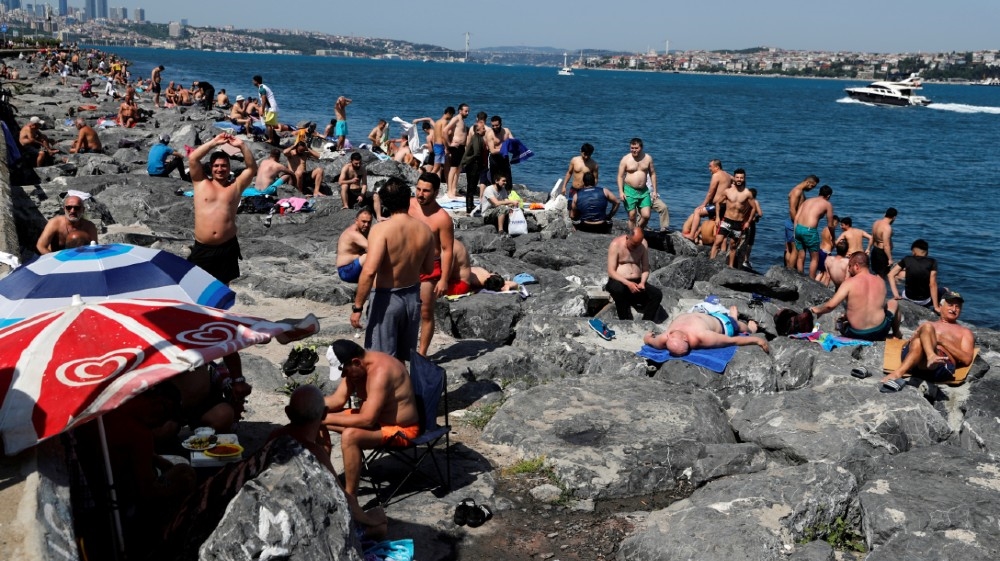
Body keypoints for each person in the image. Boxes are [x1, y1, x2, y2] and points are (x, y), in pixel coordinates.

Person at [269, 384, 388, 540]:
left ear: (288, 413)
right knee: (380, 522)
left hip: (271, 513)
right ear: (325, 414)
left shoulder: (274, 436)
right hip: (299, 524)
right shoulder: (313, 451)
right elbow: (342, 497)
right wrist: (370, 520)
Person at [322, 340, 420, 511]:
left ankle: (351, 498)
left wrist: (323, 419)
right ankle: (326, 478)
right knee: (315, 418)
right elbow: (338, 400)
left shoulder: (381, 371)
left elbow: (367, 420)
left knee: (350, 436)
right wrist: (309, 406)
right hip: (375, 423)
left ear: (356, 362)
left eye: (344, 372)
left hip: (401, 430)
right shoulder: (356, 370)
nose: (344, 377)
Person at [350, 178, 434, 360]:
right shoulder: (425, 230)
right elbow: (428, 268)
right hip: (412, 298)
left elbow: (370, 271)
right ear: (407, 199)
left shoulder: (381, 230)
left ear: (385, 203)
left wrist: (357, 307)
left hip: (386, 298)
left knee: (380, 360)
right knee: (403, 358)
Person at [881, 291, 974, 384]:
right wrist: (920, 336)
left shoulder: (965, 332)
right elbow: (908, 343)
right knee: (924, 331)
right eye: (950, 305)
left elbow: (967, 359)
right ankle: (930, 356)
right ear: (940, 306)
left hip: (940, 365)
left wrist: (941, 341)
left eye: (957, 306)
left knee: (926, 329)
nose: (954, 309)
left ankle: (900, 371)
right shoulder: (928, 325)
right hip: (914, 362)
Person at [409, 172, 455, 357]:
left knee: (426, 311)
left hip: (429, 268)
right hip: (406, 264)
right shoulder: (409, 205)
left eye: (426, 191)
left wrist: (444, 279)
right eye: (418, 189)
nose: (420, 194)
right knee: (403, 308)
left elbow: (447, 250)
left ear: (436, 192)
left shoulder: (442, 218)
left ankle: (422, 354)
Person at [809, 252, 901, 342]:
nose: (848, 270)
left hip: (856, 333)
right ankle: (896, 334)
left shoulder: (849, 283)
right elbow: (879, 306)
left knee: (840, 322)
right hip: (880, 331)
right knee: (893, 303)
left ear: (856, 266)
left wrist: (816, 310)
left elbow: (830, 306)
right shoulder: (880, 281)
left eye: (850, 266)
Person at [644, 302, 768, 355]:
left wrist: (647, 338)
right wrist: (757, 340)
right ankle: (748, 327)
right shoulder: (701, 337)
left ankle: (735, 318)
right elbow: (733, 340)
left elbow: (650, 340)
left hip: (707, 317)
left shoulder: (665, 337)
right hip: (724, 323)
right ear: (686, 339)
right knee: (739, 326)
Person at [605, 227, 662, 321]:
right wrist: (628, 283)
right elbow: (611, 272)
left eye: (638, 244)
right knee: (619, 290)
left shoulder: (643, 244)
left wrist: (643, 283)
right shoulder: (616, 244)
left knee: (656, 294)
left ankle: (646, 322)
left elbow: (645, 268)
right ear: (627, 238)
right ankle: (625, 320)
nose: (635, 247)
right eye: (633, 244)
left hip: (637, 281)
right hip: (619, 280)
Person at [709, 168, 757, 268]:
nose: (739, 179)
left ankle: (730, 267)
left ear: (744, 179)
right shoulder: (727, 191)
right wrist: (717, 217)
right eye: (737, 177)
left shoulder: (747, 193)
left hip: (738, 223)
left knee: (733, 246)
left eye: (741, 178)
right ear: (734, 178)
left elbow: (753, 208)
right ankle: (710, 264)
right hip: (726, 221)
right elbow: (717, 202)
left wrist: (748, 221)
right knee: (717, 242)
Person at [616, 138, 667, 230]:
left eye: (636, 148)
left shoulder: (648, 158)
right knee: (632, 216)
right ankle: (632, 236)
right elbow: (620, 176)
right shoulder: (625, 159)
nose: (633, 150)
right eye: (632, 148)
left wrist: (655, 191)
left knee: (646, 215)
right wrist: (621, 192)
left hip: (644, 191)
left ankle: (637, 231)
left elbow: (653, 174)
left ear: (641, 147)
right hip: (629, 190)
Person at [681, 159, 732, 240]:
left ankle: (692, 235)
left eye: (710, 166)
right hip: (724, 205)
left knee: (697, 211)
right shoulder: (728, 175)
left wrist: (703, 204)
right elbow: (735, 182)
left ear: (717, 167)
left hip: (717, 205)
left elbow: (710, 193)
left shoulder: (716, 175)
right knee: (713, 220)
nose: (709, 168)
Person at [888, 239, 941, 312]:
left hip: (907, 297)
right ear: (927, 252)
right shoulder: (932, 262)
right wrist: (936, 306)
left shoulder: (906, 259)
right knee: (945, 290)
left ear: (913, 251)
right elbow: (932, 284)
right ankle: (936, 310)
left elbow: (890, 275)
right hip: (924, 301)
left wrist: (896, 294)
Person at [793, 184, 834, 279]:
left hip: (798, 228)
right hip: (809, 231)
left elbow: (796, 218)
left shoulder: (807, 201)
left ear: (819, 192)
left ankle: (800, 278)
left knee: (800, 256)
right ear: (828, 196)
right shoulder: (827, 204)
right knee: (815, 258)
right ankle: (811, 282)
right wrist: (833, 236)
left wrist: (795, 232)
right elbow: (830, 225)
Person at [784, 175, 820, 269]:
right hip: (793, 223)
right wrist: (797, 224)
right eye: (812, 186)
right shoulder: (797, 191)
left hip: (791, 222)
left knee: (790, 249)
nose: (812, 189)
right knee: (795, 250)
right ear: (807, 182)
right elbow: (792, 209)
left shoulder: (799, 191)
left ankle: (788, 269)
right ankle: (790, 272)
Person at [337, 208, 373, 283]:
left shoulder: (365, 230)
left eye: (369, 222)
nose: (366, 225)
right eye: (363, 221)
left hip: (355, 267)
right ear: (356, 221)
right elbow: (372, 249)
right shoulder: (353, 234)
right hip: (346, 271)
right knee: (370, 255)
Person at [460, 116, 487, 214]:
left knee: (473, 185)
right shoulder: (476, 138)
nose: (485, 130)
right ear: (477, 130)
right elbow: (476, 153)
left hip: (474, 164)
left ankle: (471, 204)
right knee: (471, 186)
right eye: (483, 128)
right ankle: (469, 207)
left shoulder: (480, 138)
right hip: (472, 165)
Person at [446, 103, 470, 199]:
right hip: (456, 147)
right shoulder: (456, 118)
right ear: (460, 111)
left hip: (461, 148)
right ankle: (449, 191)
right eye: (466, 111)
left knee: (459, 169)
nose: (467, 113)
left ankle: (454, 190)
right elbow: (445, 130)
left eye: (468, 111)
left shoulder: (462, 121)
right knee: (453, 169)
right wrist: (449, 144)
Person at [484, 115, 514, 187]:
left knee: (507, 179)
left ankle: (507, 193)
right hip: (494, 159)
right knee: (495, 180)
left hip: (504, 158)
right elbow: (492, 150)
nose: (495, 127)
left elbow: (513, 142)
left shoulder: (506, 131)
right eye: (493, 126)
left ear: (500, 124)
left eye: (496, 125)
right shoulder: (490, 134)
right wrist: (504, 149)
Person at [870, 207, 897, 277]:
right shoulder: (887, 228)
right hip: (882, 254)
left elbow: (872, 237)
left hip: (874, 250)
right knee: (881, 276)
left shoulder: (876, 222)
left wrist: (868, 248)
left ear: (885, 214)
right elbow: (886, 245)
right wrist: (890, 259)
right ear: (894, 217)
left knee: (875, 273)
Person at [431, 107, 456, 181]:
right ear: (449, 113)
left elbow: (434, 136)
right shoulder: (444, 122)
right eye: (452, 115)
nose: (452, 117)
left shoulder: (437, 122)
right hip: (440, 146)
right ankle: (426, 180)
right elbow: (443, 135)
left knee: (440, 167)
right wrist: (446, 147)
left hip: (436, 145)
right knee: (436, 167)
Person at [253, 75, 279, 145]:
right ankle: (272, 139)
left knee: (268, 124)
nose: (252, 82)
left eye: (253, 81)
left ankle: (270, 139)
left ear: (256, 81)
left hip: (271, 108)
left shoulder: (261, 88)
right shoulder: (263, 87)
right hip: (271, 108)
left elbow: (264, 100)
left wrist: (262, 110)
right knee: (269, 124)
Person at [815, 215, 839, 284]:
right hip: (826, 252)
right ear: (834, 222)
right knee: (826, 273)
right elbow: (832, 243)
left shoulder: (824, 229)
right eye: (836, 223)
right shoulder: (832, 230)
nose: (836, 225)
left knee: (820, 271)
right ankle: (824, 288)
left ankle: (814, 284)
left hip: (820, 250)